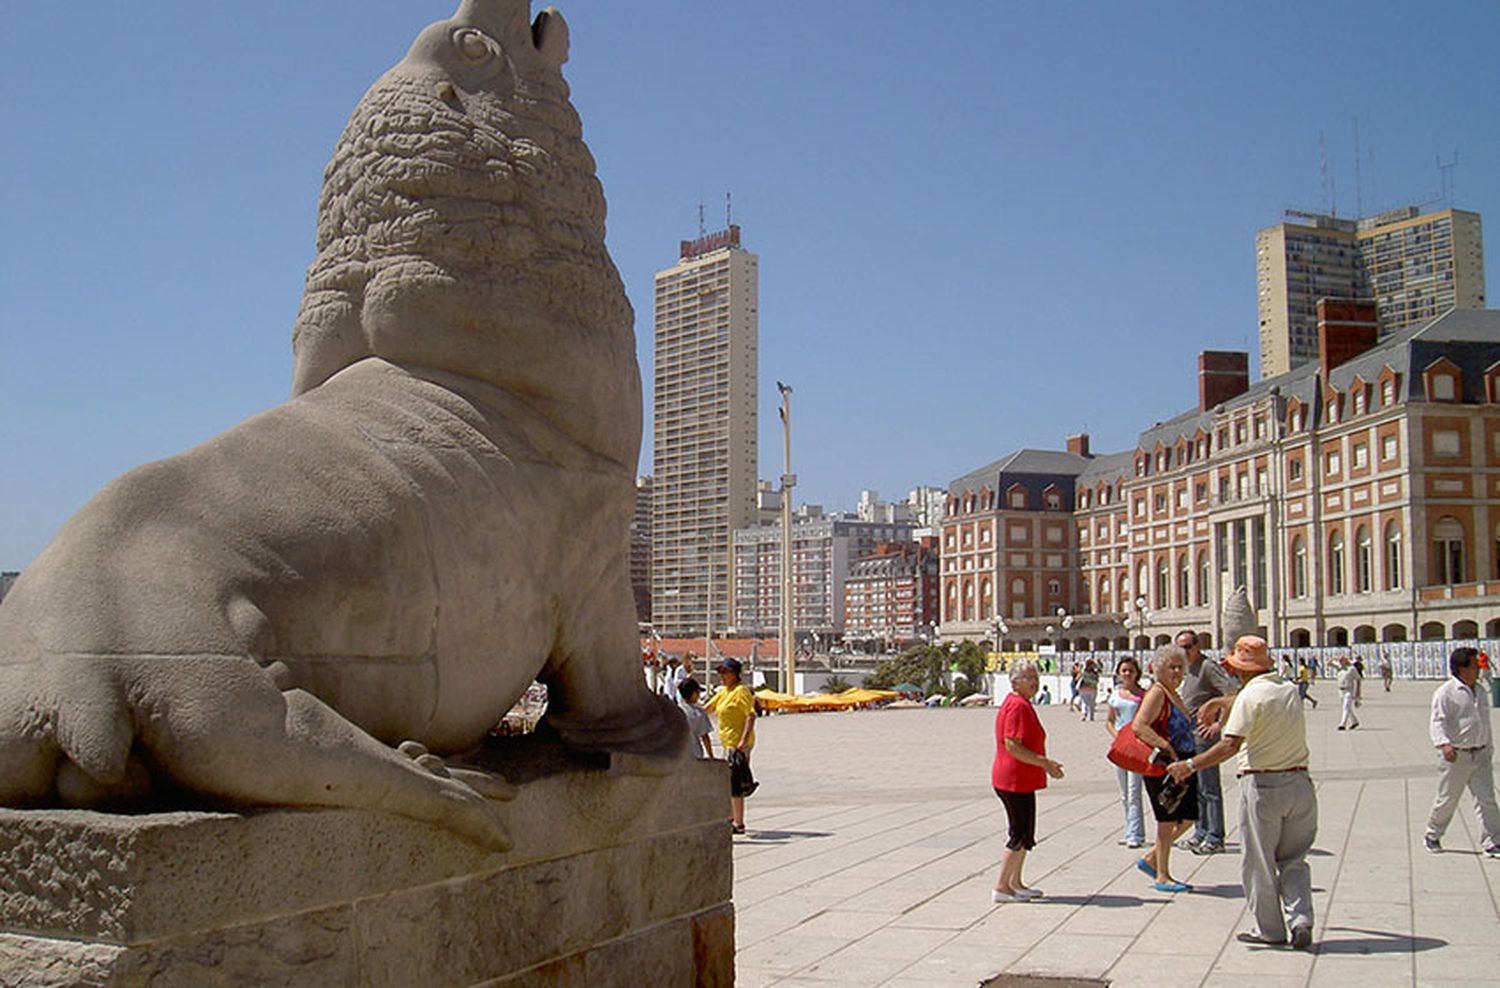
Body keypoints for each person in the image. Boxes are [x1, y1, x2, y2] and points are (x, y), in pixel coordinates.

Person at [1168, 635, 1316, 950]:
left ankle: (1270, 930)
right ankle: (1301, 918)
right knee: (1294, 859)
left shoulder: (1249, 698)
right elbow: (1250, 698)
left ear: (1243, 670)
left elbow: (1228, 745)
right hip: (1300, 784)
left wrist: (1191, 765)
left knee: (1259, 861)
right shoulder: (1289, 690)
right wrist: (1221, 702)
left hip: (1263, 785)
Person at [990, 661, 1064, 902]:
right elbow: (1012, 743)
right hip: (1013, 779)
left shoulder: (1021, 704)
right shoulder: (1017, 706)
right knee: (1019, 832)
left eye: (1035, 676)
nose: (1035, 681)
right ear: (1014, 682)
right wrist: (1045, 763)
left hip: (1020, 779)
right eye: (1028, 677)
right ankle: (1002, 886)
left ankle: (1016, 882)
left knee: (1026, 833)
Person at [1130, 644, 1198, 893]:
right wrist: (1166, 747)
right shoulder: (1157, 692)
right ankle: (1162, 875)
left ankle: (1151, 858)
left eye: (1180, 667)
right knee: (1166, 819)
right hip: (1166, 765)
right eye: (1171, 667)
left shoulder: (1173, 693)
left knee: (1189, 816)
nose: (1177, 672)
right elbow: (1139, 726)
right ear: (1159, 669)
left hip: (1185, 762)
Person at [1423, 646, 1500, 857]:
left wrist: (1489, 747)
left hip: (1480, 754)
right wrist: (1444, 744)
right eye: (1475, 666)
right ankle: (1433, 834)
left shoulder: (1481, 691)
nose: (1478, 669)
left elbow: (1484, 723)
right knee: (1447, 799)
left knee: (1487, 800)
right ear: (1461, 668)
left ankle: (1492, 841)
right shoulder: (1446, 693)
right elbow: (1437, 722)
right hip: (1456, 755)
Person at [1176, 629, 1237, 855]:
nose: (1184, 651)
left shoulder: (1207, 667)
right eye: (1180, 647)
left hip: (1203, 734)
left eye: (1187, 646)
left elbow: (1231, 693)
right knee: (1197, 787)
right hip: (1189, 734)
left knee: (1209, 786)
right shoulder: (1188, 670)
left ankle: (1215, 836)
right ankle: (1201, 832)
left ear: (1197, 646)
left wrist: (1217, 724)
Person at [707, 658, 757, 834]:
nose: (721, 676)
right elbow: (708, 708)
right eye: (720, 672)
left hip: (738, 744)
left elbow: (750, 716)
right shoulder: (724, 692)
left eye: (725, 672)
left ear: (735, 674)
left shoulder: (741, 691)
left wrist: (743, 740)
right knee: (728, 782)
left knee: (735, 782)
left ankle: (738, 822)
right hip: (727, 743)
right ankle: (731, 817)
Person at [1105, 656, 1147, 849]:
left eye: (1130, 670)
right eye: (1124, 671)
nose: (1127, 674)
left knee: (1134, 791)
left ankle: (1136, 834)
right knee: (1124, 793)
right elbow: (1110, 721)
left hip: (1137, 747)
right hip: (1120, 747)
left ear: (1137, 672)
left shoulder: (1144, 695)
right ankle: (1129, 828)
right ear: (1118, 673)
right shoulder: (1116, 695)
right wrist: (1118, 737)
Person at [676, 677, 715, 759]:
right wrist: (711, 756)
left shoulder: (675, 711)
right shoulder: (699, 713)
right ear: (694, 693)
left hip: (678, 754)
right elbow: (705, 737)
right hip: (695, 754)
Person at [1336, 656, 1361, 730]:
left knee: (1346, 706)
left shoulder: (1352, 668)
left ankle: (1342, 724)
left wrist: (1358, 692)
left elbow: (1358, 680)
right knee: (1347, 707)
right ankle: (1354, 721)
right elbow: (1329, 663)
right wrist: (1335, 658)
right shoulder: (1340, 668)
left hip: (1349, 690)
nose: (1340, 662)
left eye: (1342, 660)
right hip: (1341, 690)